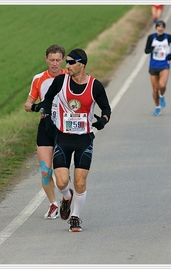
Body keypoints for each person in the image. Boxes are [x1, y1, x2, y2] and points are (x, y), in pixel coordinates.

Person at [41, 48, 111, 232]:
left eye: (71, 62)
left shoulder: (94, 85)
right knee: (62, 182)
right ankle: (66, 196)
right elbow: (48, 99)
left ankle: (75, 217)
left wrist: (102, 121)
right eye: (67, 62)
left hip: (84, 140)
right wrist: (48, 117)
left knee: (80, 182)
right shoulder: (61, 81)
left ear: (82, 64)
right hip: (63, 138)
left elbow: (106, 109)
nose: (67, 66)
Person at [24, 44, 67, 219]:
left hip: (64, 127)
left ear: (62, 60)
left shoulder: (69, 77)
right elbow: (27, 105)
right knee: (45, 171)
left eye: (58, 60)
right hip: (46, 126)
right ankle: (53, 204)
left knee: (61, 171)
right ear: (46, 59)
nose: (55, 63)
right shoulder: (39, 78)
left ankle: (67, 199)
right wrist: (36, 107)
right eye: (51, 60)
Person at [144, 20, 171, 116]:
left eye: (162, 26)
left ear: (164, 28)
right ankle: (157, 107)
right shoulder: (151, 38)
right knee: (155, 89)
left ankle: (162, 96)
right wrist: (151, 49)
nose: (160, 28)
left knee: (162, 85)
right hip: (153, 65)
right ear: (156, 28)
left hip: (164, 64)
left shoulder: (168, 37)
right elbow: (146, 51)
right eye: (159, 26)